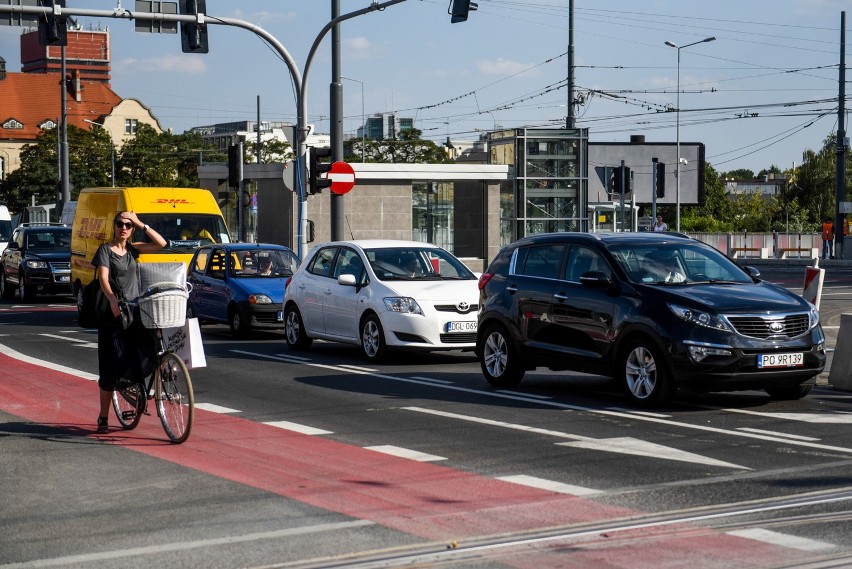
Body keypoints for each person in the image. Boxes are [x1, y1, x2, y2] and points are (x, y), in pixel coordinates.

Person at [94, 211, 167, 434]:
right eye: (120, 224)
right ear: (114, 226)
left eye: (128, 225)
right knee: (110, 365)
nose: (123, 228)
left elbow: (161, 243)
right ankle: (103, 417)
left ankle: (133, 384)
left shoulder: (133, 250)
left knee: (146, 348)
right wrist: (113, 299)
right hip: (113, 314)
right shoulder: (106, 250)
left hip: (134, 311)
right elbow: (103, 279)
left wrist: (140, 223)